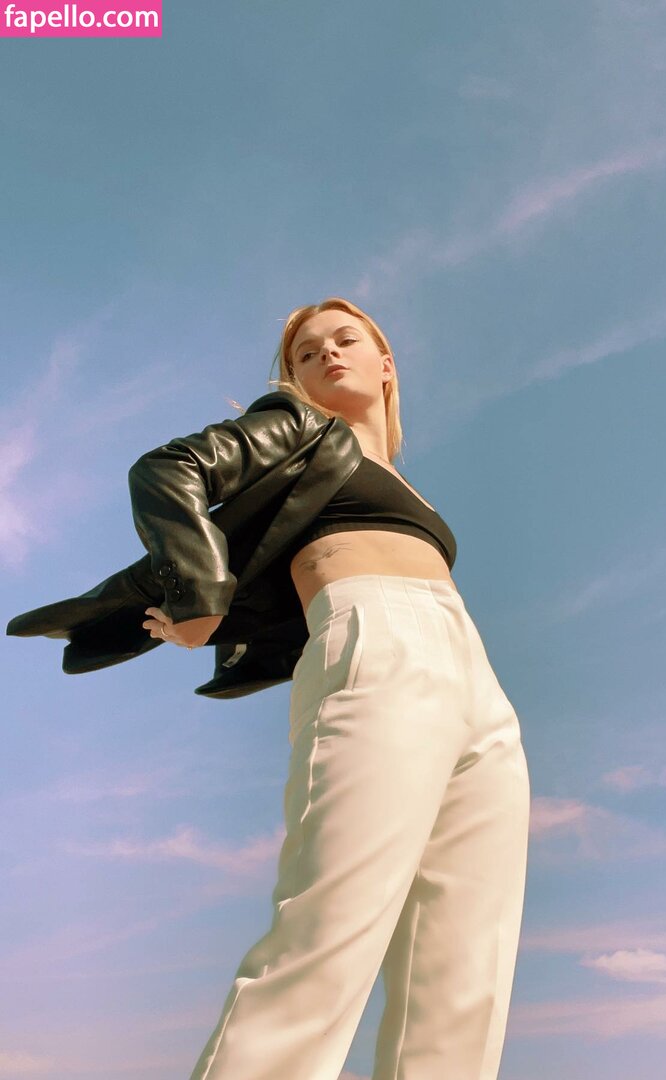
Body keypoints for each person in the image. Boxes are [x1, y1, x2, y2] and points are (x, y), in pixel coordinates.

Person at [133, 298, 532, 1079]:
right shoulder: (295, 428)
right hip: (376, 639)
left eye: (346, 340)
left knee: (463, 975)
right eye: (307, 354)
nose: (327, 355)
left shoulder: (404, 481)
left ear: (386, 364)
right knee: (329, 931)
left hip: (473, 674)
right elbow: (167, 469)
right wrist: (200, 592)